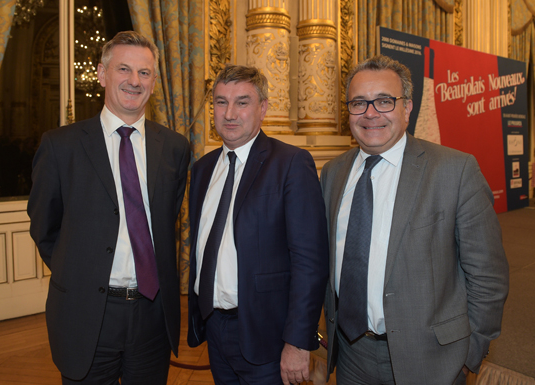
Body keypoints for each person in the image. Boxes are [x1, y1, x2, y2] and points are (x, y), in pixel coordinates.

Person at [321, 54, 509, 385]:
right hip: (351, 355)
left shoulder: (455, 171)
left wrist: (469, 355)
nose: (371, 113)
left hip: (433, 360)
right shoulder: (333, 173)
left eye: (384, 101)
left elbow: (488, 275)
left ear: (407, 108)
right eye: (359, 103)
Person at [28, 31, 190, 384]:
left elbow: (166, 222)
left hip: (152, 316)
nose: (134, 81)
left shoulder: (176, 148)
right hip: (85, 315)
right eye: (124, 70)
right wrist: (79, 273)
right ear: (102, 74)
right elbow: (44, 227)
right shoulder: (61, 147)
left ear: (155, 81)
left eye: (144, 73)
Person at [187, 64, 329, 384]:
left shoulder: (290, 163)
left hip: (269, 337)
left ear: (262, 108)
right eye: (221, 102)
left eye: (242, 101)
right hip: (214, 327)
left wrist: (297, 342)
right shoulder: (203, 169)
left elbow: (311, 262)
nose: (230, 113)